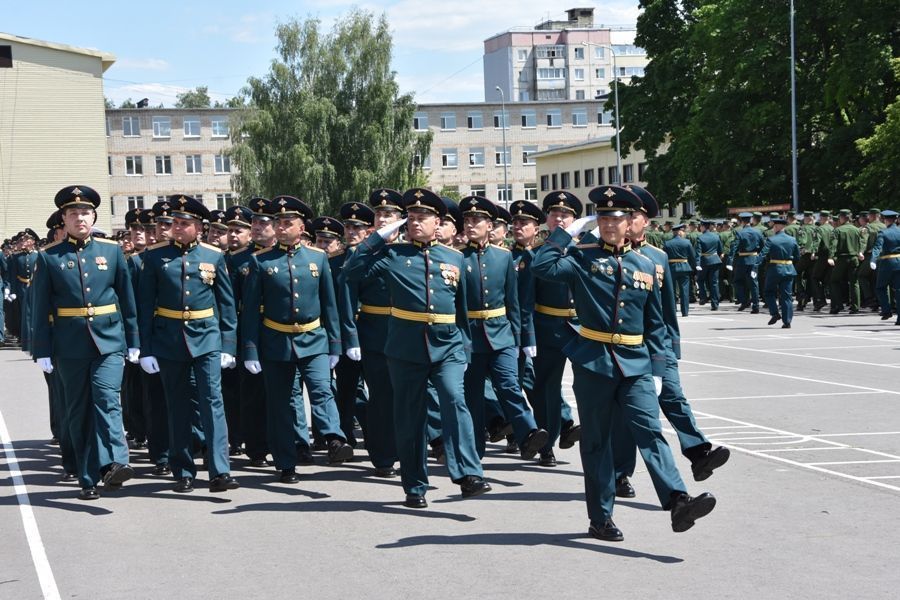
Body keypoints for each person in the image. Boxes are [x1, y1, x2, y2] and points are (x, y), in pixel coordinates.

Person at [532, 184, 715, 542]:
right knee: (597, 443)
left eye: (616, 217)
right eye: (602, 217)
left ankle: (678, 500)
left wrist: (660, 369)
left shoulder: (645, 264)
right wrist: (567, 232)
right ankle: (600, 518)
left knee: (650, 431)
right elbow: (542, 266)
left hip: (636, 364)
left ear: (631, 221)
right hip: (594, 362)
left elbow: (657, 323)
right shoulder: (582, 257)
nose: (609, 223)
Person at [343, 188, 489, 508]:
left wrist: (464, 348)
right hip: (405, 348)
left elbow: (462, 309)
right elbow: (350, 272)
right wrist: (377, 238)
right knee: (410, 418)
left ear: (438, 222)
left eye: (424, 217)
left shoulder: (454, 257)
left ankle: (468, 473)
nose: (417, 222)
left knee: (454, 399)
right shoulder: (392, 256)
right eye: (412, 217)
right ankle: (414, 485)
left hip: (447, 345)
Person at [30, 185, 140, 500]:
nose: (80, 218)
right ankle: (87, 477)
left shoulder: (111, 251)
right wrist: (43, 350)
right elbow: (41, 307)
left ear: (94, 216)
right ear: (63, 220)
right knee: (78, 411)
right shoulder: (49, 257)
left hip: (109, 341)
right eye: (73, 213)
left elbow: (127, 300)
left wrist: (133, 340)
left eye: (85, 212)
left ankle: (116, 462)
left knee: (107, 399)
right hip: (69, 345)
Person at [241, 196, 353, 485]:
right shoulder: (260, 260)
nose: (280, 228)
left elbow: (330, 304)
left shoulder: (317, 258)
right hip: (275, 341)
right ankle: (286, 462)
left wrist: (335, 343)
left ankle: (334, 438)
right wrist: (250, 350)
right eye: (277, 223)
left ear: (301, 227)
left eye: (287, 223)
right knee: (279, 405)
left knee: (321, 388)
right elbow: (251, 310)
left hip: (313, 338)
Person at [137, 194, 240, 494]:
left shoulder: (213, 256)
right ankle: (183, 470)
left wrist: (228, 345)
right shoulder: (155, 257)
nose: (176, 228)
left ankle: (220, 470)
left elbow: (227, 305)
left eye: (184, 223)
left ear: (199, 227)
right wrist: (146, 349)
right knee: (177, 406)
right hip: (168, 340)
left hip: (207, 338)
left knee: (212, 404)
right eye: (175, 223)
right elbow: (145, 307)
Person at [458, 195, 548, 460]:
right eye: (467, 220)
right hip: (470, 337)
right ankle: (475, 451)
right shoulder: (457, 258)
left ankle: (529, 433)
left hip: (502, 334)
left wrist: (521, 338)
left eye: (477, 220)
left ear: (489, 225)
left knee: (509, 385)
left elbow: (514, 302)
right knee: (473, 397)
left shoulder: (503, 257)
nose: (471, 224)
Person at [339, 194, 400, 477]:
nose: (383, 220)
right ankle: (383, 455)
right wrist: (374, 242)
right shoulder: (364, 252)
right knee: (380, 396)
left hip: (407, 331)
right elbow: (349, 277)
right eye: (379, 216)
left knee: (409, 395)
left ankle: (410, 447)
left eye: (390, 216)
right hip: (375, 331)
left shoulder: (411, 249)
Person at [756, 217, 800, 328]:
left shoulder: (771, 239)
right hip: (789, 269)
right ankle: (787, 321)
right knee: (787, 296)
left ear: (776, 227)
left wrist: (755, 266)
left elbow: (763, 254)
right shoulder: (792, 239)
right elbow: (797, 256)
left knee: (768, 292)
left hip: (775, 269)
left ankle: (775, 313)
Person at [828, 209, 864, 314]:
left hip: (842, 259)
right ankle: (855, 307)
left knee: (834, 281)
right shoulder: (857, 230)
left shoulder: (838, 230)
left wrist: (830, 257)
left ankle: (838, 305)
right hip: (854, 258)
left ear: (842, 218)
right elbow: (861, 243)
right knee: (854, 283)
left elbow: (833, 245)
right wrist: (860, 253)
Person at [728, 212, 765, 313]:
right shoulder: (757, 232)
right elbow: (763, 246)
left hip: (743, 260)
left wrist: (730, 260)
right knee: (754, 283)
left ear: (741, 221)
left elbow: (735, 247)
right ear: (750, 220)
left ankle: (744, 301)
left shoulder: (739, 232)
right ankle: (756, 306)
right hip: (754, 260)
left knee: (737, 281)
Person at [870, 210, 900, 323]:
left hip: (887, 263)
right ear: (896, 219)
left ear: (885, 220)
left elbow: (877, 247)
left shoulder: (883, 233)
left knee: (880, 288)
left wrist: (873, 260)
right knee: (898, 290)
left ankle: (886, 310)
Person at [663, 223, 696, 317]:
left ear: (673, 232)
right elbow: (692, 256)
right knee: (684, 291)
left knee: (672, 290)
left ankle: (673, 310)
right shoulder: (687, 242)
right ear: (680, 232)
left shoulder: (667, 243)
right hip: (684, 267)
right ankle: (685, 312)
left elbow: (664, 257)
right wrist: (693, 268)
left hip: (671, 268)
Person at [694, 219, 723, 310]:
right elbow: (720, 250)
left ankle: (703, 297)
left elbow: (698, 252)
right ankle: (715, 304)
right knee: (714, 283)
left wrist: (697, 263)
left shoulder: (700, 237)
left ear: (703, 227)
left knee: (700, 280)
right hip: (715, 260)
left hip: (704, 262)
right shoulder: (716, 236)